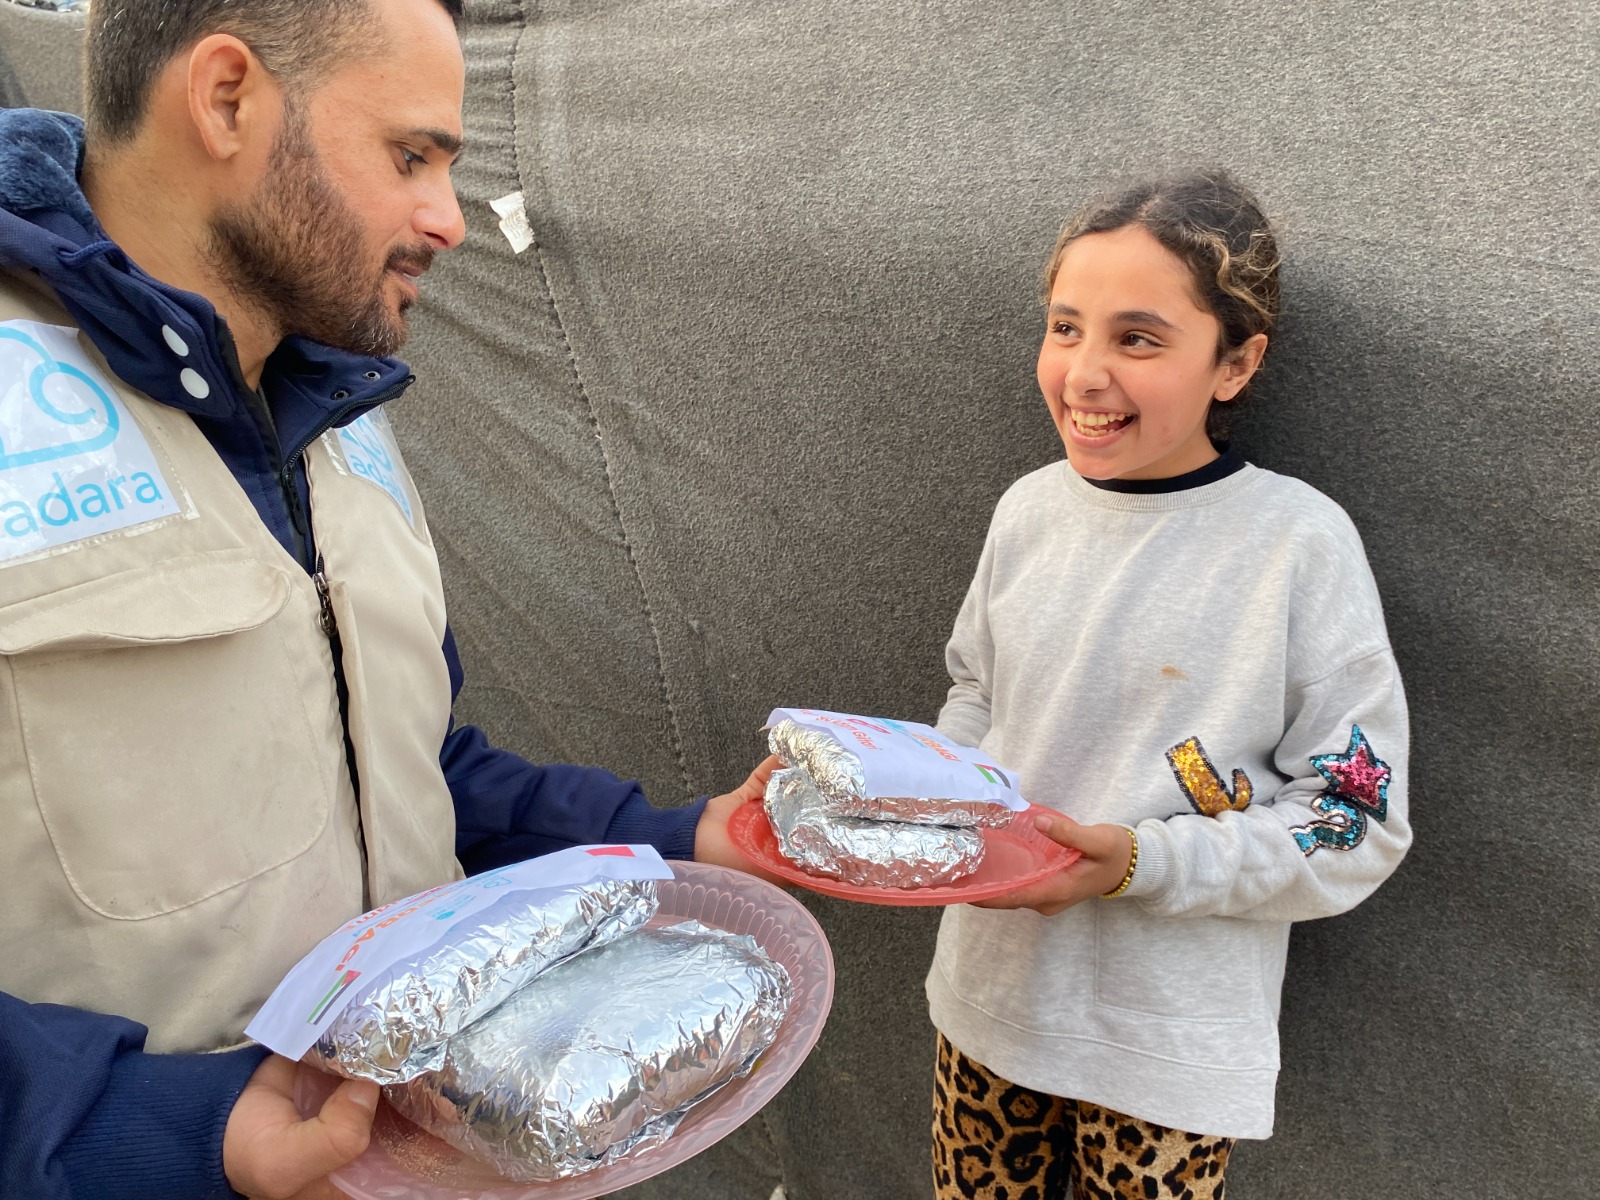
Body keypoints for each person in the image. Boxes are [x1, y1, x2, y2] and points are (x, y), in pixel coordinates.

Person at [0, 1, 774, 1197]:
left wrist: (677, 840)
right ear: (226, 99)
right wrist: (166, 1131)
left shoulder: (333, 407)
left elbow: (403, 766)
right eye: (411, 155)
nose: (450, 220)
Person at [923, 172, 1412, 1198]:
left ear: (1236, 362)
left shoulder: (1298, 545)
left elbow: (1354, 824)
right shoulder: (1026, 510)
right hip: (987, 1002)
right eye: (1065, 327)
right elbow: (977, 691)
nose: (1084, 373)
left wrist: (1141, 862)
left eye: (1138, 339)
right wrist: (927, 793)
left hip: (1167, 1049)